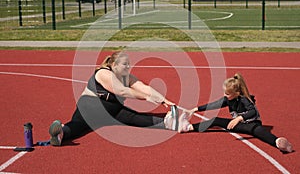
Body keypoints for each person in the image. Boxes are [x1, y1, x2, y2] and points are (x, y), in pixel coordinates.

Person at [48, 51, 188, 146]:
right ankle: (61, 132)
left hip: (111, 111)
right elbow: (122, 90)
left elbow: (143, 86)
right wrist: (147, 97)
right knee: (79, 124)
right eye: (125, 64)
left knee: (135, 118)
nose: (128, 66)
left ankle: (168, 123)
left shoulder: (127, 76)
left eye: (129, 63)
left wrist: (162, 99)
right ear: (114, 65)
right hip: (91, 107)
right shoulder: (103, 73)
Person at [179, 73, 293, 153]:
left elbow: (253, 112)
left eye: (227, 93)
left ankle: (278, 142)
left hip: (252, 124)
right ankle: (188, 127)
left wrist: (239, 118)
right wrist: (195, 109)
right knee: (215, 120)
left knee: (258, 131)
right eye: (224, 92)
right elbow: (213, 104)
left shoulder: (244, 99)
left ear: (237, 93)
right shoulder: (227, 99)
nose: (225, 95)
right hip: (238, 125)